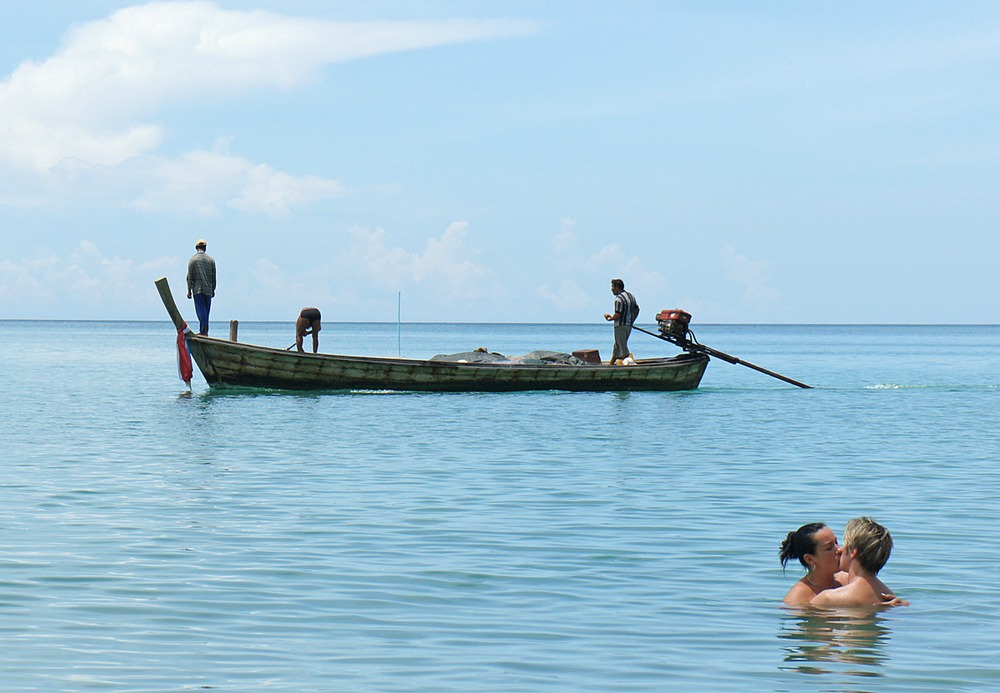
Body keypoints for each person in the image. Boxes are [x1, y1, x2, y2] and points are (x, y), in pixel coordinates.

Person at [810, 517, 908, 607]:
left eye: (845, 544)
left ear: (853, 551)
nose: (840, 550)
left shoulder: (829, 598)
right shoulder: (889, 598)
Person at [780, 522, 845, 606]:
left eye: (836, 543)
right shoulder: (797, 599)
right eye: (829, 548)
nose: (840, 550)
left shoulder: (849, 578)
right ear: (810, 559)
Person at [603, 278, 639, 365]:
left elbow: (618, 314)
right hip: (628, 326)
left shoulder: (618, 299)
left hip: (620, 326)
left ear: (617, 287)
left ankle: (629, 365)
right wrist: (631, 320)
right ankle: (610, 364)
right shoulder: (631, 296)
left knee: (623, 349)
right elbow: (637, 309)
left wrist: (609, 318)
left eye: (612, 286)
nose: (611, 289)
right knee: (617, 346)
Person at [186, 239, 216, 335]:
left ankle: (203, 332)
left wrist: (189, 290)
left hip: (197, 290)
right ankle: (205, 331)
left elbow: (190, 277)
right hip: (208, 290)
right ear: (205, 248)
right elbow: (213, 277)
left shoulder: (193, 260)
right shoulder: (211, 260)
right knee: (206, 312)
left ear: (196, 248)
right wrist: (213, 289)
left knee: (200, 311)